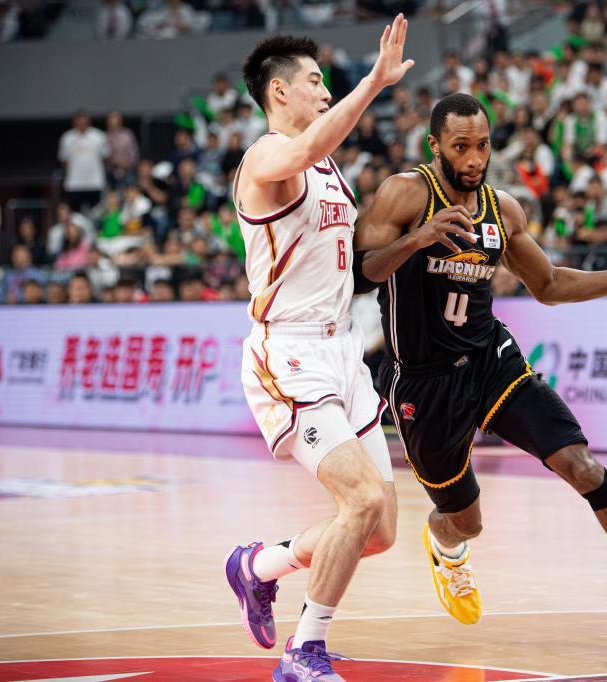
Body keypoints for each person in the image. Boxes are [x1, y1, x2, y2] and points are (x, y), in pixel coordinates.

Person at [353, 94, 607, 663]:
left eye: (482, 145)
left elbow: (550, 285)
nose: (474, 158)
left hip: (491, 361)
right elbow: (361, 275)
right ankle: (446, 545)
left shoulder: (502, 210)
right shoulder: (404, 194)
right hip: (422, 381)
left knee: (581, 466)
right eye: (460, 146)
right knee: (466, 520)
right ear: (434, 145)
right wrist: (417, 238)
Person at [222, 20, 414, 682]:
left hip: (344, 354)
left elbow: (353, 263)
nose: (325, 90)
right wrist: (374, 82)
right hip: (290, 354)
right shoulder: (265, 159)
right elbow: (307, 148)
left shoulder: (329, 168)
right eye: (314, 80)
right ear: (279, 91)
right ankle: (303, 652)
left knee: (379, 529)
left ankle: (258, 565)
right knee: (358, 500)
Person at [58, 110, 110, 213]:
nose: (82, 125)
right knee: (75, 214)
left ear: (89, 122)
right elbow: (64, 160)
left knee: (96, 213)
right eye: (79, 123)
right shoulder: (67, 138)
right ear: (74, 123)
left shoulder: (99, 136)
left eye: (84, 123)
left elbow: (105, 157)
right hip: (74, 184)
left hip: (94, 183)